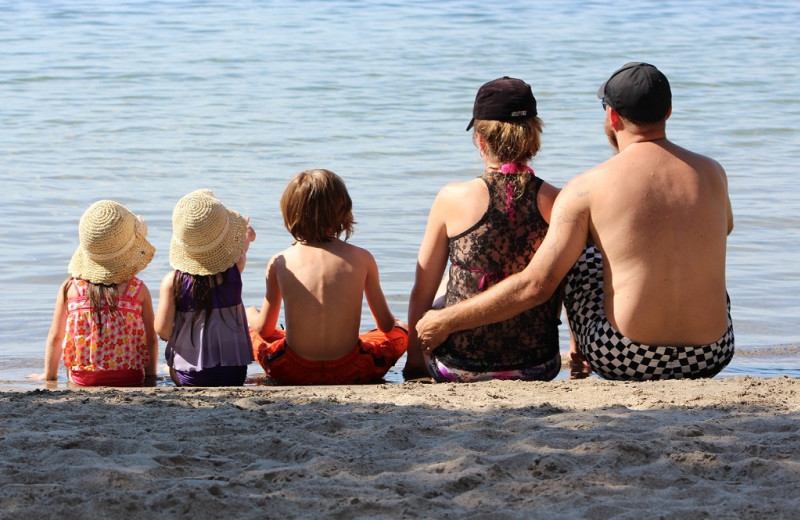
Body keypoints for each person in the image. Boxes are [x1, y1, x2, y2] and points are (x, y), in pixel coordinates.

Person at [416, 62, 735, 381]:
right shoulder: (712, 172)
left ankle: (580, 350)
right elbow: (726, 228)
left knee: (583, 257)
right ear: (668, 111)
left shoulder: (588, 186)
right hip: (713, 352)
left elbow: (537, 285)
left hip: (627, 357)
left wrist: (445, 321)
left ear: (611, 117)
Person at [402, 76, 563, 382]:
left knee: (439, 285)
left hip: (459, 368)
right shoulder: (559, 201)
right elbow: (564, 291)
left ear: (480, 139)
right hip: (539, 366)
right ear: (533, 136)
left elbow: (421, 292)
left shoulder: (451, 198)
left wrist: (414, 362)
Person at [247, 169, 408, 384]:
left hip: (291, 370)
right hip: (352, 370)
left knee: (253, 334)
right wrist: (398, 324)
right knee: (400, 331)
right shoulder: (362, 258)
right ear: (344, 212)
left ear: (290, 213)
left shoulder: (280, 261)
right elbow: (386, 326)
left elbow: (265, 329)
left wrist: (251, 314)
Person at [34, 200, 158, 386]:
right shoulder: (137, 290)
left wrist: (49, 376)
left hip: (82, 378)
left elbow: (56, 336)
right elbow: (151, 338)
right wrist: (150, 376)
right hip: (130, 377)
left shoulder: (71, 288)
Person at [154, 189, 256, 387]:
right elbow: (241, 250)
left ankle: (167, 370)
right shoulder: (235, 269)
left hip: (190, 378)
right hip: (235, 375)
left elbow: (163, 331)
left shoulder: (172, 281)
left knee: (168, 367)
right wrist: (246, 235)